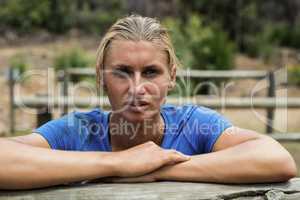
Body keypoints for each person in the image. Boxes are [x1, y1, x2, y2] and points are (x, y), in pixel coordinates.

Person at [0, 15, 297, 190]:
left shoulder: (195, 125)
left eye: (151, 72)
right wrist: (117, 163)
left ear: (172, 77)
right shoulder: (77, 131)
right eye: (122, 72)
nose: (137, 88)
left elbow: (277, 158)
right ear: (101, 78)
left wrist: (159, 168)